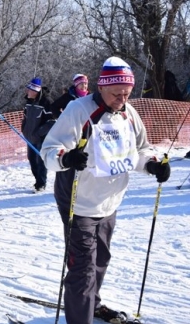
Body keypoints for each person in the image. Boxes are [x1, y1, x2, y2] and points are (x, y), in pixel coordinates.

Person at [41, 57, 170, 324]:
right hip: (79, 201)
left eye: (127, 93)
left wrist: (154, 165)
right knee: (83, 269)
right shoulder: (78, 110)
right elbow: (49, 151)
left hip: (109, 202)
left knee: (101, 259)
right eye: (116, 94)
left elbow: (141, 150)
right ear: (101, 87)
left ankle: (92, 304)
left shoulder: (128, 113)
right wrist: (67, 158)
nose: (122, 99)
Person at [21, 77, 54, 192]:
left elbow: (52, 121)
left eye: (29, 90)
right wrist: (24, 129)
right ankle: (37, 181)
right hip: (30, 137)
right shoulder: (28, 103)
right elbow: (25, 117)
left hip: (41, 138)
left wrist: (39, 133)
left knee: (40, 161)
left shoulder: (46, 102)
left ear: (35, 91)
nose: (27, 92)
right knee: (32, 159)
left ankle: (41, 183)